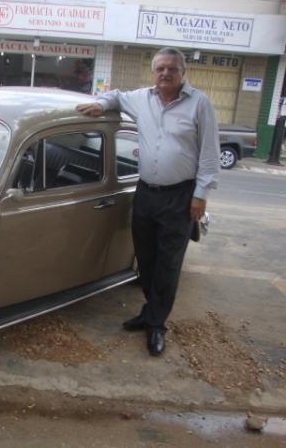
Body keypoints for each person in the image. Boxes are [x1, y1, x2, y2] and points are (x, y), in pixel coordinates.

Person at [76, 47, 220, 356]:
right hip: (146, 193)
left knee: (168, 264)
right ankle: (151, 311)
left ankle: (156, 325)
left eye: (172, 68)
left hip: (180, 196)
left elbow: (209, 155)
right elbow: (114, 95)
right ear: (153, 72)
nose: (165, 73)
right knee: (146, 259)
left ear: (183, 72)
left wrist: (201, 195)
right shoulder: (142, 98)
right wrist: (101, 104)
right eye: (160, 69)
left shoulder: (199, 104)